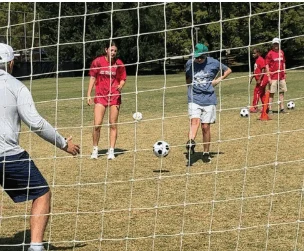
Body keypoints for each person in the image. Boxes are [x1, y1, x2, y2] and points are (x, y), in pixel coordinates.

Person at [0, 43, 80, 251]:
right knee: (41, 193)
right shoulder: (16, 86)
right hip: (8, 156)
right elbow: (36, 123)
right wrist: (64, 143)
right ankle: (36, 247)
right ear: (10, 63)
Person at [185, 43, 232, 163]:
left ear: (206, 55)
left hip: (209, 99)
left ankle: (206, 152)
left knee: (205, 127)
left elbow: (228, 70)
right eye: (197, 57)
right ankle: (191, 142)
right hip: (194, 97)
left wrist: (218, 80)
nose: (198, 59)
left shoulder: (214, 62)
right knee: (194, 121)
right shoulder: (190, 64)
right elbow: (188, 79)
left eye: (201, 57)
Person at [87, 42, 127, 160]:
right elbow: (93, 77)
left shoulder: (119, 63)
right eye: (111, 50)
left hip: (114, 96)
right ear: (106, 50)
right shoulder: (98, 62)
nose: (113, 52)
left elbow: (123, 78)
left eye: (115, 50)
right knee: (97, 124)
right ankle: (95, 150)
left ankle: (111, 151)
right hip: (100, 96)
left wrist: (120, 85)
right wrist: (88, 94)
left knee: (113, 124)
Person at [265, 37, 287, 114]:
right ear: (272, 44)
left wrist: (284, 73)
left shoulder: (281, 52)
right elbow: (267, 65)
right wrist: (268, 76)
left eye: (277, 43)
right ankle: (270, 109)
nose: (276, 45)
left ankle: (282, 108)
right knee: (272, 92)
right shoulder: (270, 54)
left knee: (282, 92)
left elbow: (283, 63)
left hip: (281, 76)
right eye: (274, 44)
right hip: (273, 76)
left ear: (279, 44)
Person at [249, 47, 269, 113]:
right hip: (259, 79)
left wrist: (260, 79)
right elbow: (256, 70)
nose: (253, 54)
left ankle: (255, 107)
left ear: (258, 53)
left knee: (257, 92)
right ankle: (265, 107)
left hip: (263, 79)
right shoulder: (256, 60)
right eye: (252, 53)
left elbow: (263, 69)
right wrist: (252, 77)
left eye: (254, 53)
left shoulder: (261, 59)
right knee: (262, 94)